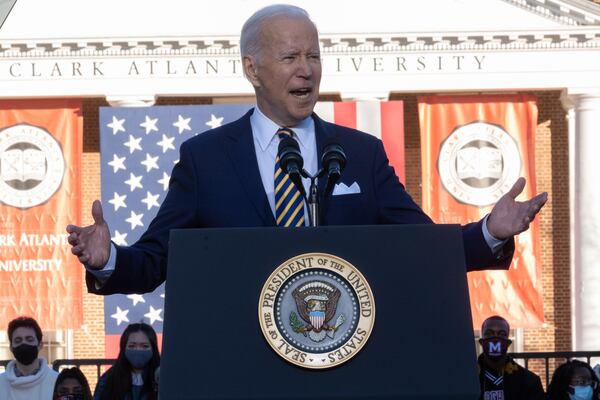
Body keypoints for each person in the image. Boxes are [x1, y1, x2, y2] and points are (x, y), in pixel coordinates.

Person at [66, 4, 548, 295]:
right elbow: (156, 261)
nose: (307, 70)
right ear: (253, 70)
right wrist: (108, 258)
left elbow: (419, 246)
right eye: (291, 57)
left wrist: (489, 231)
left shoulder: (359, 153)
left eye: (314, 56)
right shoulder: (206, 159)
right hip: (243, 364)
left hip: (346, 364)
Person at [477, 315, 545, 400]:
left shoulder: (529, 381)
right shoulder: (467, 378)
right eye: (489, 334)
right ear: (481, 341)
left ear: (508, 343)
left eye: (502, 334)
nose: (495, 338)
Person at [93, 323, 160, 400]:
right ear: (124, 348)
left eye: (145, 346)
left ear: (153, 348)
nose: (138, 350)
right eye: (132, 346)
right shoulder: (108, 379)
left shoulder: (164, 378)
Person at [0, 316, 58, 400]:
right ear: (11, 347)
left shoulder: (57, 382)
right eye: (18, 340)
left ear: (40, 345)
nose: (24, 343)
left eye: (29, 339)